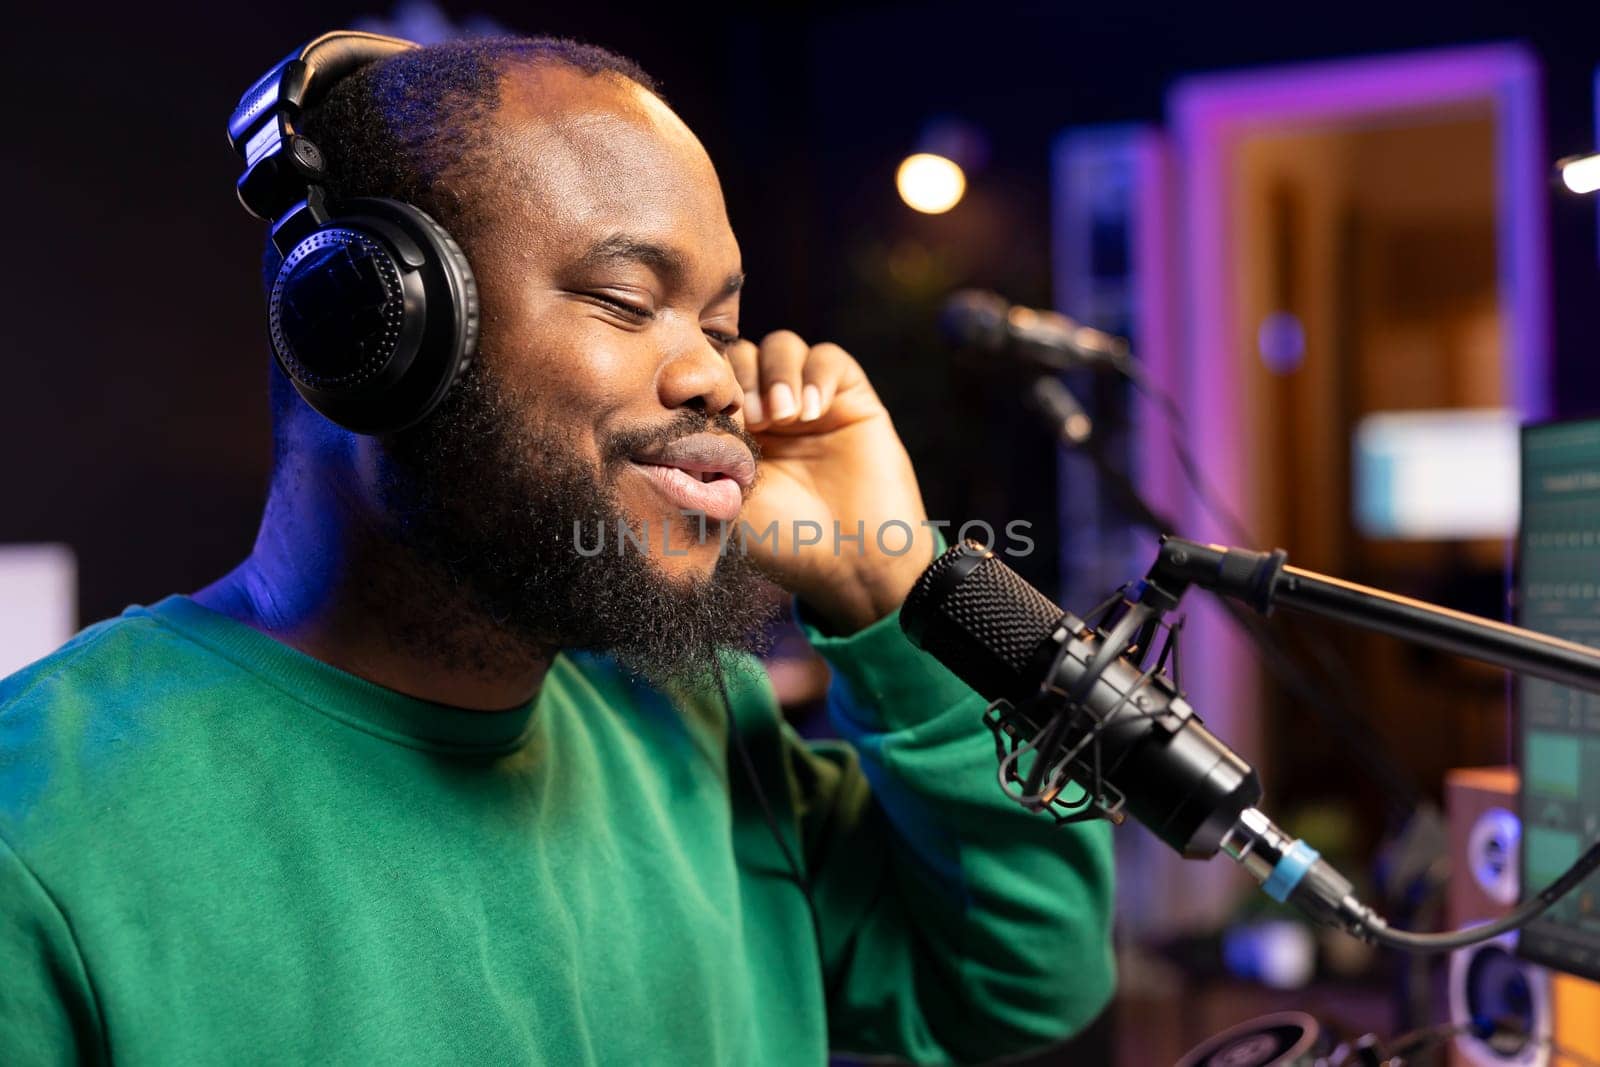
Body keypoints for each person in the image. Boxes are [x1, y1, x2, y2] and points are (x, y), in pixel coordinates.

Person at [0, 31, 1114, 1065]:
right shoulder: (44, 828)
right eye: (629, 300)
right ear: (366, 325)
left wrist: (894, 584)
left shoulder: (692, 714)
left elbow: (1023, 976)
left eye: (721, 326)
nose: (717, 379)